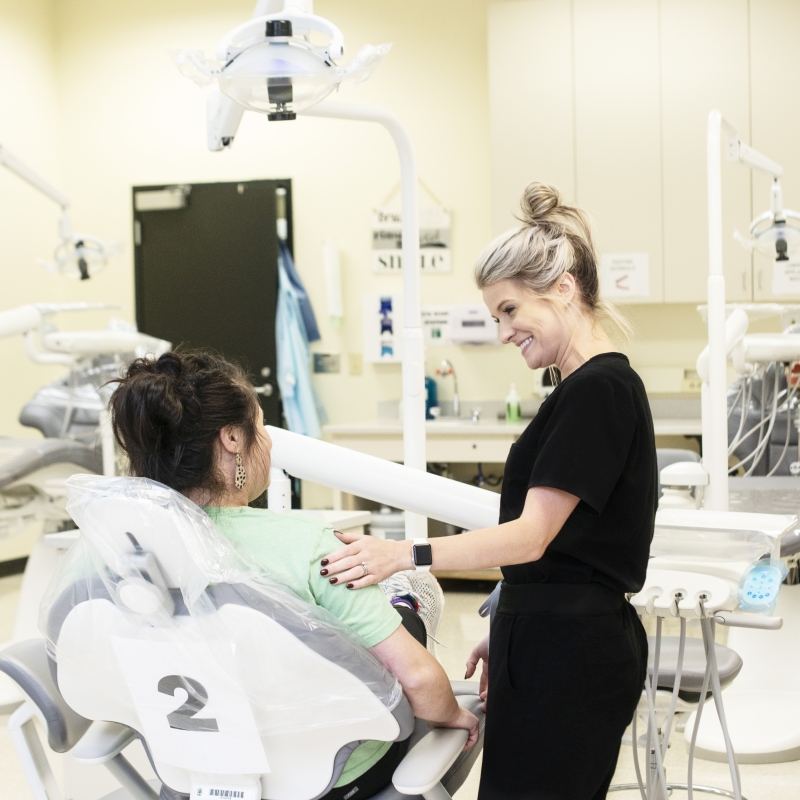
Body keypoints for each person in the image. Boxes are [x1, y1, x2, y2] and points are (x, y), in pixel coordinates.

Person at [319, 182, 655, 799]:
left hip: (573, 654)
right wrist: (511, 618)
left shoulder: (600, 391)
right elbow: (563, 549)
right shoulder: (579, 390)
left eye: (508, 310)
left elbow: (530, 538)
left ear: (562, 288)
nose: (503, 332)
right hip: (551, 638)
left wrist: (404, 554)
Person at [108, 350, 479, 800]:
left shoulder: (116, 551)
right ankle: (406, 604)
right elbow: (419, 680)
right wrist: (453, 717)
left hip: (201, 767)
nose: (266, 441)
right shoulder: (308, 547)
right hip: (335, 776)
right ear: (231, 438)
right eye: (260, 427)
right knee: (412, 591)